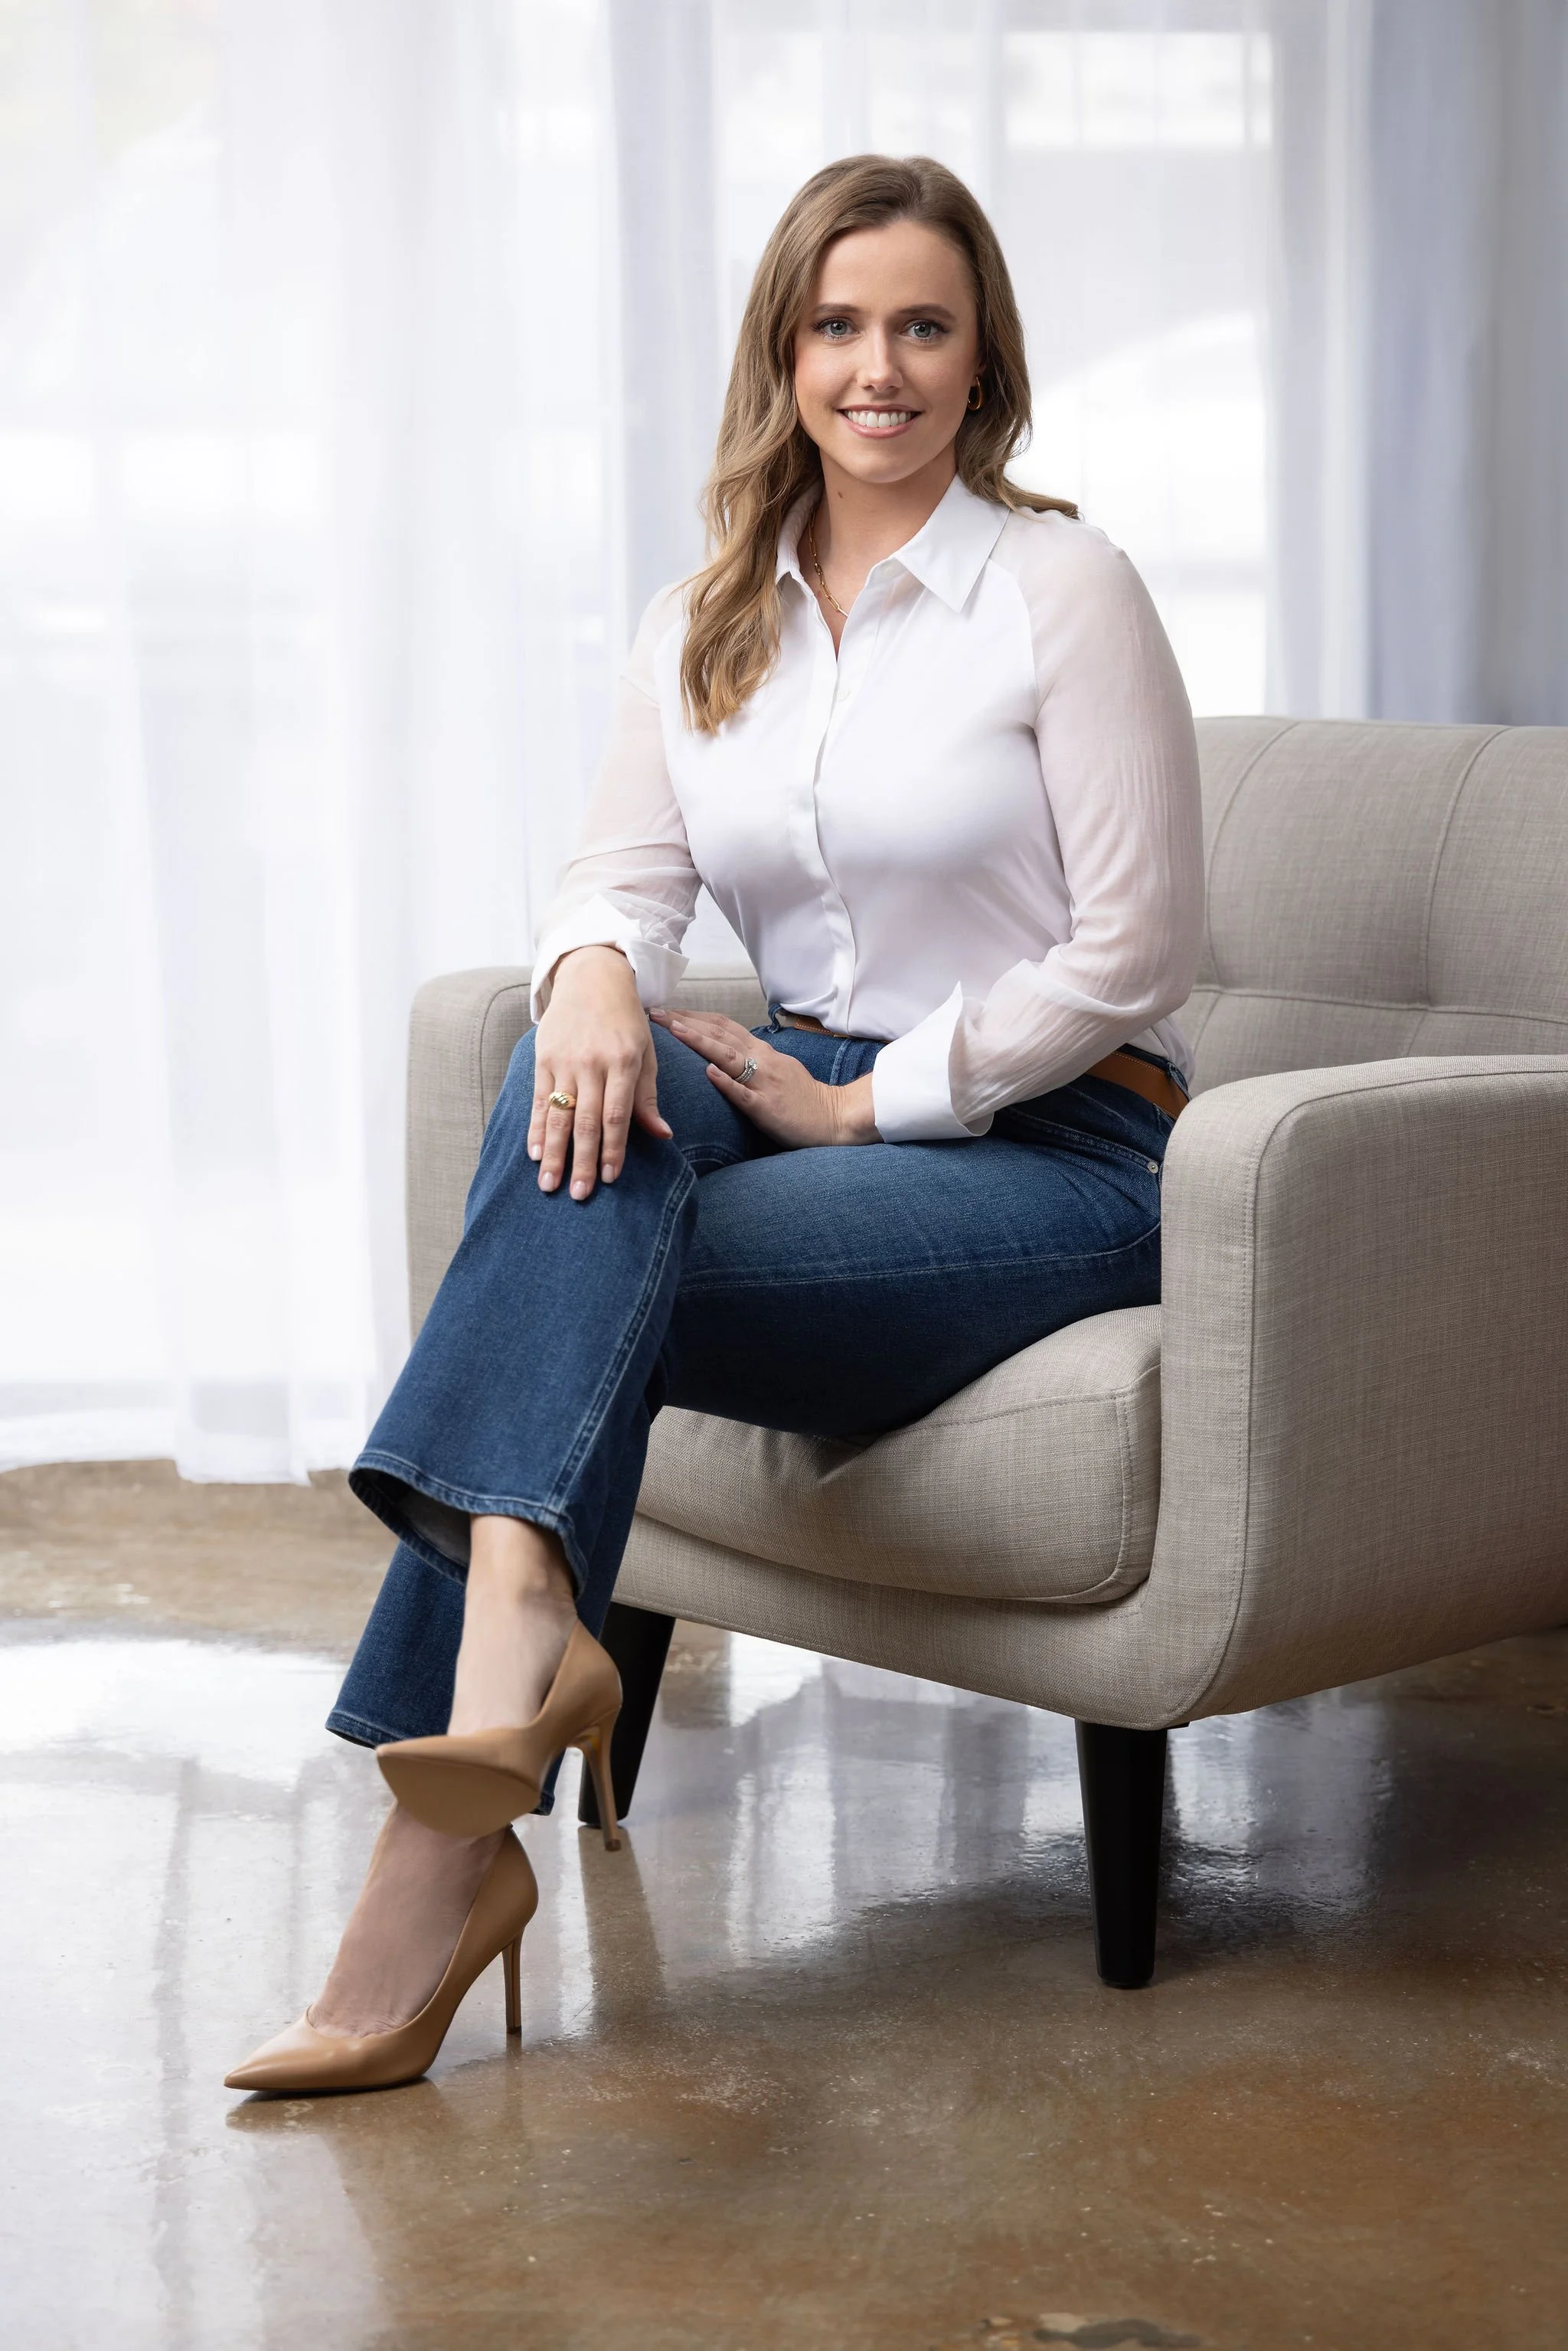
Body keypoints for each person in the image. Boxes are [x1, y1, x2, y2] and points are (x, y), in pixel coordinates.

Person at [225, 152, 1203, 2095]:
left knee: (581, 1251)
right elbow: (616, 875)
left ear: (981, 354)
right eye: (838, 325)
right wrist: (591, 971)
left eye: (923, 325)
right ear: (784, 349)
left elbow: (1140, 943)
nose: (879, 367)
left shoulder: (1059, 589)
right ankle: (522, 1614)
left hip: (1065, 1151)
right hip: (803, 1083)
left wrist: (869, 1109)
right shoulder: (710, 616)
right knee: (585, 1070)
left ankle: (433, 1858)